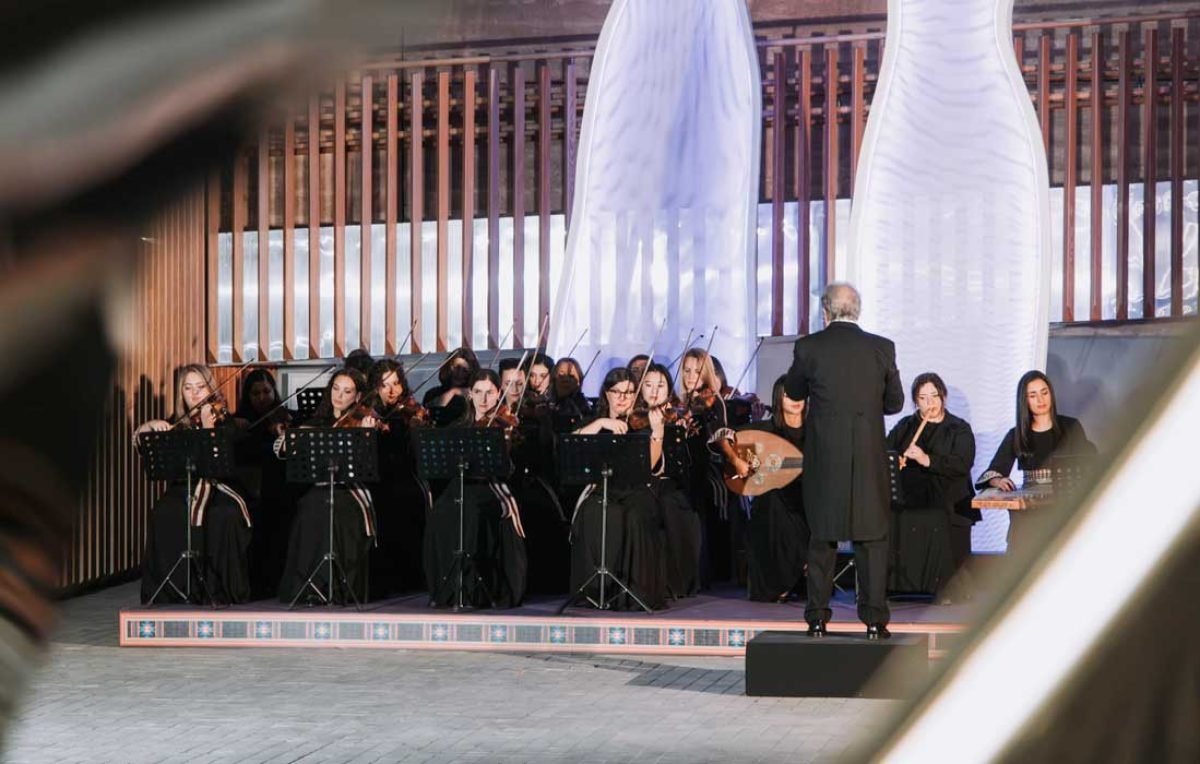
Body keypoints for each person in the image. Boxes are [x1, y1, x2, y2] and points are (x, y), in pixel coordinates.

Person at [784, 282, 904, 639]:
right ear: (858, 310)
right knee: (872, 540)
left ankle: (818, 618)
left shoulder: (809, 347)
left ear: (825, 312)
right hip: (869, 460)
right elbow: (894, 404)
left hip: (825, 461)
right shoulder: (882, 348)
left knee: (822, 539)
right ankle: (874, 620)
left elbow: (792, 392)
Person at [135, 364, 252, 604]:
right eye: (188, 388)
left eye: (200, 387)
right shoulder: (177, 422)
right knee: (164, 512)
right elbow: (141, 442)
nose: (195, 394)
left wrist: (209, 428)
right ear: (182, 393)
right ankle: (174, 589)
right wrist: (147, 428)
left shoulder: (226, 422)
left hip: (219, 486)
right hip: (184, 487)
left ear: (210, 388)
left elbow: (222, 464)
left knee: (224, 515)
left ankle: (218, 589)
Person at [423, 369, 527, 608]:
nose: (483, 399)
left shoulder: (506, 424)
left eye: (490, 393)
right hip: (462, 485)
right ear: (470, 394)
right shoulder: (459, 426)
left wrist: (508, 444)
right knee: (441, 510)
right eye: (478, 392)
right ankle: (449, 586)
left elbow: (511, 470)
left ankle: (475, 588)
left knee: (471, 512)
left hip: (492, 487)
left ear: (498, 394)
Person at [275, 368, 377, 605]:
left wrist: (367, 436)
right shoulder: (318, 420)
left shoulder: (362, 420)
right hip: (321, 486)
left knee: (335, 510)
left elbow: (366, 465)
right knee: (309, 507)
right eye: (336, 389)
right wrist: (288, 441)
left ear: (358, 396)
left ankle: (340, 587)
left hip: (350, 489)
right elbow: (282, 447)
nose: (339, 396)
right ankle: (311, 584)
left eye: (347, 391)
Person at [569, 368, 666, 610]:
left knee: (635, 515)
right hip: (602, 489)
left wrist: (658, 433)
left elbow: (650, 466)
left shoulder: (641, 425)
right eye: (618, 392)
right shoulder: (594, 421)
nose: (624, 398)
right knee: (592, 512)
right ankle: (596, 590)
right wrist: (602, 423)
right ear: (606, 393)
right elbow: (573, 443)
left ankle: (630, 593)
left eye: (630, 392)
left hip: (635, 490)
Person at [977, 370, 1096, 549]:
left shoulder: (1071, 426)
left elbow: (1089, 463)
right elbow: (992, 472)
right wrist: (998, 480)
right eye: (1033, 395)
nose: (1040, 400)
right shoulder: (1017, 434)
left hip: (1065, 508)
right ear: (1024, 400)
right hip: (1029, 512)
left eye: (1044, 392)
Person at [885, 372, 976, 602]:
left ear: (943, 397)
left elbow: (963, 463)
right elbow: (886, 451)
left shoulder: (958, 428)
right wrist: (895, 460)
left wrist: (927, 459)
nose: (930, 403)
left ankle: (947, 589)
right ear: (916, 401)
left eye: (934, 396)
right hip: (912, 498)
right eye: (923, 398)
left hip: (949, 498)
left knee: (938, 516)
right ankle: (898, 586)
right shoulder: (906, 426)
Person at [742, 375, 810, 603]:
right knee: (771, 499)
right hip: (775, 502)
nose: (795, 399)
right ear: (778, 398)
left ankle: (795, 576)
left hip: (809, 499)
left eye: (799, 393)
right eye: (789, 394)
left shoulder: (818, 431)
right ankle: (777, 581)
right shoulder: (765, 430)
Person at [635, 363, 700, 599]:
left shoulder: (677, 416)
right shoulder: (634, 417)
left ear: (669, 389)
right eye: (648, 385)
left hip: (669, 482)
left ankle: (678, 581)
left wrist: (683, 436)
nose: (654, 392)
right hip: (641, 484)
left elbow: (683, 466)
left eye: (660, 386)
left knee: (677, 505)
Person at [366, 358, 430, 596]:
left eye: (396, 384)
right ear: (375, 388)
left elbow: (417, 456)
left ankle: (411, 577)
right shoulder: (369, 413)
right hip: (377, 479)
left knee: (409, 502)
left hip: (405, 476)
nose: (392, 390)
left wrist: (416, 430)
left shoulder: (409, 412)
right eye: (385, 385)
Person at [232, 368, 294, 599]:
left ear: (274, 391)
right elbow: (244, 455)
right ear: (247, 396)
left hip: (279, 487)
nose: (261, 398)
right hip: (253, 488)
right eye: (255, 393)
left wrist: (281, 435)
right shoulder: (241, 420)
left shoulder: (283, 417)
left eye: (266, 392)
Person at [421, 346, 479, 425]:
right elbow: (431, 411)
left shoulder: (476, 395)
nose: (459, 374)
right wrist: (453, 392)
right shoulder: (433, 393)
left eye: (465, 370)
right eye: (456, 368)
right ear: (448, 367)